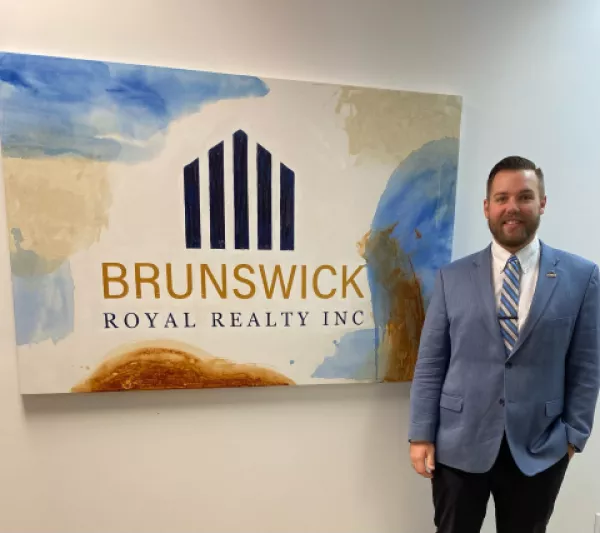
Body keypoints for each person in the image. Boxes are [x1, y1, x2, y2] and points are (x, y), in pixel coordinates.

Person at [408, 156, 600, 533]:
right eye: (501, 198)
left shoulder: (582, 277)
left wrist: (573, 437)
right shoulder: (453, 277)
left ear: (542, 203)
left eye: (525, 197)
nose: (512, 207)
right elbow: (431, 363)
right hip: (458, 444)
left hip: (540, 447)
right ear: (487, 207)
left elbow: (587, 365)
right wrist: (420, 434)